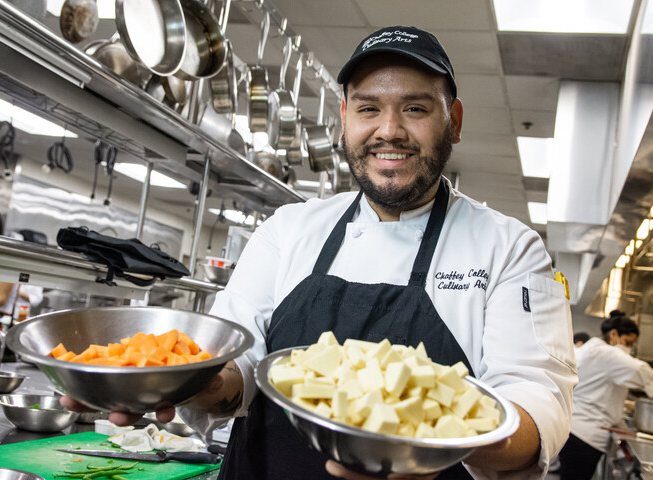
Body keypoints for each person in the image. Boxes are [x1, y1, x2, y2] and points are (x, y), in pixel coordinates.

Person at [63, 25, 577, 479]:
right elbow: (236, 366)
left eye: (415, 109)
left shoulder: (509, 248)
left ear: (454, 121)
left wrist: (431, 441)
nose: (389, 130)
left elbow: (536, 401)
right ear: (344, 118)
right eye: (368, 108)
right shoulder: (288, 229)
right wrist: (173, 381)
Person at [558, 315, 653, 480]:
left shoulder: (592, 348)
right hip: (586, 435)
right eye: (627, 342)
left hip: (576, 429)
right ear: (613, 334)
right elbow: (638, 368)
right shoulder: (606, 353)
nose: (628, 348)